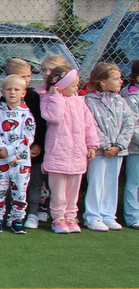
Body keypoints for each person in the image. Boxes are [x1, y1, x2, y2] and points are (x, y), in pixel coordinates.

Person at [40, 67, 98, 233]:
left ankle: (71, 215)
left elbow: (89, 125)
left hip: (77, 154)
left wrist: (92, 144)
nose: (76, 88)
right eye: (73, 85)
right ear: (61, 86)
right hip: (58, 154)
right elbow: (54, 117)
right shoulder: (49, 99)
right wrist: (56, 97)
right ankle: (58, 217)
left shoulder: (79, 102)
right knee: (58, 191)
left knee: (73, 190)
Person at [83, 63, 134, 231]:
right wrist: (105, 145)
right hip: (100, 151)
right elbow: (91, 125)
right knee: (96, 181)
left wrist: (119, 146)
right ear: (103, 82)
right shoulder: (90, 101)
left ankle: (108, 215)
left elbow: (129, 123)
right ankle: (93, 216)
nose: (121, 81)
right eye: (116, 78)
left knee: (111, 182)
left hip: (117, 152)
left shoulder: (121, 101)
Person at [3, 58, 48, 229]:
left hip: (33, 151)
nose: (26, 80)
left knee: (35, 183)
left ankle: (32, 213)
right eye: (21, 76)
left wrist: (38, 144)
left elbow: (41, 124)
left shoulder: (34, 97)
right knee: (12, 182)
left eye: (28, 76)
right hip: (11, 153)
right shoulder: (4, 101)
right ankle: (12, 213)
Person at [0, 74, 35, 234]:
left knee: (20, 190)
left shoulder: (27, 115)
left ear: (23, 92)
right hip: (0, 160)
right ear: (2, 92)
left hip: (21, 161)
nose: (12, 92)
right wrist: (6, 154)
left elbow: (28, 137)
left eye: (16, 89)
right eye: (8, 89)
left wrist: (11, 152)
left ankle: (17, 219)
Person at [122, 60, 139, 229]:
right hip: (136, 149)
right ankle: (133, 216)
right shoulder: (132, 98)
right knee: (134, 182)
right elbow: (132, 126)